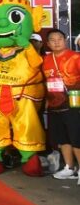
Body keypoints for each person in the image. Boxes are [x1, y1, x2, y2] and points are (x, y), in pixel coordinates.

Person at [42, 29, 80, 183]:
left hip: (74, 103)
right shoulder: (46, 60)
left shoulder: (75, 57)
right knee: (63, 138)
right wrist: (47, 102)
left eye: (60, 39)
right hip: (54, 104)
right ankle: (69, 167)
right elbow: (46, 82)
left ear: (65, 41)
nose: (56, 42)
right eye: (53, 40)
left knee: (76, 137)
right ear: (48, 43)